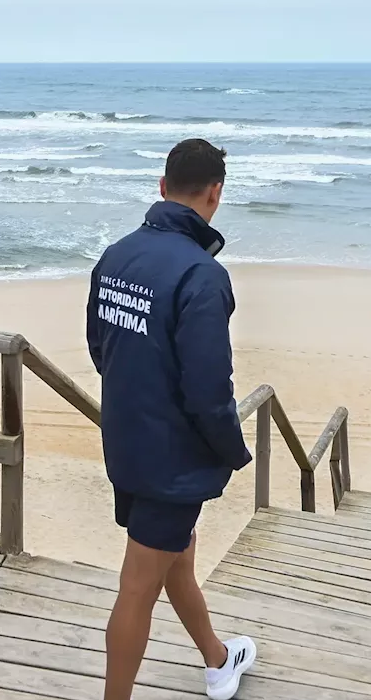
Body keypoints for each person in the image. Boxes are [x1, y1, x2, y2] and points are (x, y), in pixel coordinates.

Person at [86, 138, 256, 700]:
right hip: (171, 460)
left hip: (127, 443)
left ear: (162, 188)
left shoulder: (115, 255)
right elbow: (209, 390)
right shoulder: (202, 275)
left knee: (174, 559)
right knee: (137, 586)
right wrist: (232, 450)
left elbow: (99, 349)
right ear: (215, 193)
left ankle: (217, 658)